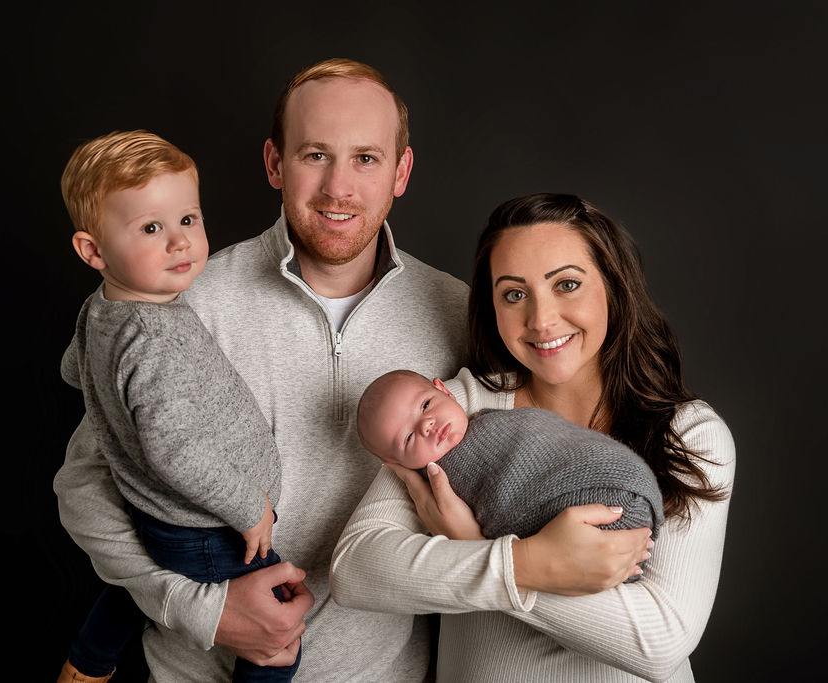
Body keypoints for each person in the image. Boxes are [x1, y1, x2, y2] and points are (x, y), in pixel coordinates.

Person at [54, 60, 650, 682]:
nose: (339, 187)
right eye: (315, 155)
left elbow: (542, 441)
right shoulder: (180, 303)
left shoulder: (461, 313)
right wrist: (201, 609)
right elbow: (85, 488)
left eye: (366, 158)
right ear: (275, 163)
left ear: (401, 172)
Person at [331, 193, 735, 682]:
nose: (541, 320)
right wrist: (522, 564)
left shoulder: (690, 434)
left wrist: (472, 542)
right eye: (514, 294)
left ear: (613, 287)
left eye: (567, 284)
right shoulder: (458, 407)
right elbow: (356, 569)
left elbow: (660, 642)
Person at [56, 130, 299, 682]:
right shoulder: (153, 337)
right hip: (207, 525)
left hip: (161, 517)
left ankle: (86, 665)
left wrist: (112, 392)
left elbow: (74, 370)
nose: (180, 242)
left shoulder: (102, 309)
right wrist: (250, 508)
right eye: (151, 228)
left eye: (188, 219)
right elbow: (174, 451)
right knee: (279, 637)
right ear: (93, 251)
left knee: (136, 590)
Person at [355, 369, 663, 572]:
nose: (427, 425)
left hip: (616, 478)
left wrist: (472, 544)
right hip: (584, 527)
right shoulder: (439, 484)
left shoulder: (490, 416)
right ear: (398, 464)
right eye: (409, 438)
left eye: (425, 406)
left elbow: (554, 440)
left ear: (445, 391)